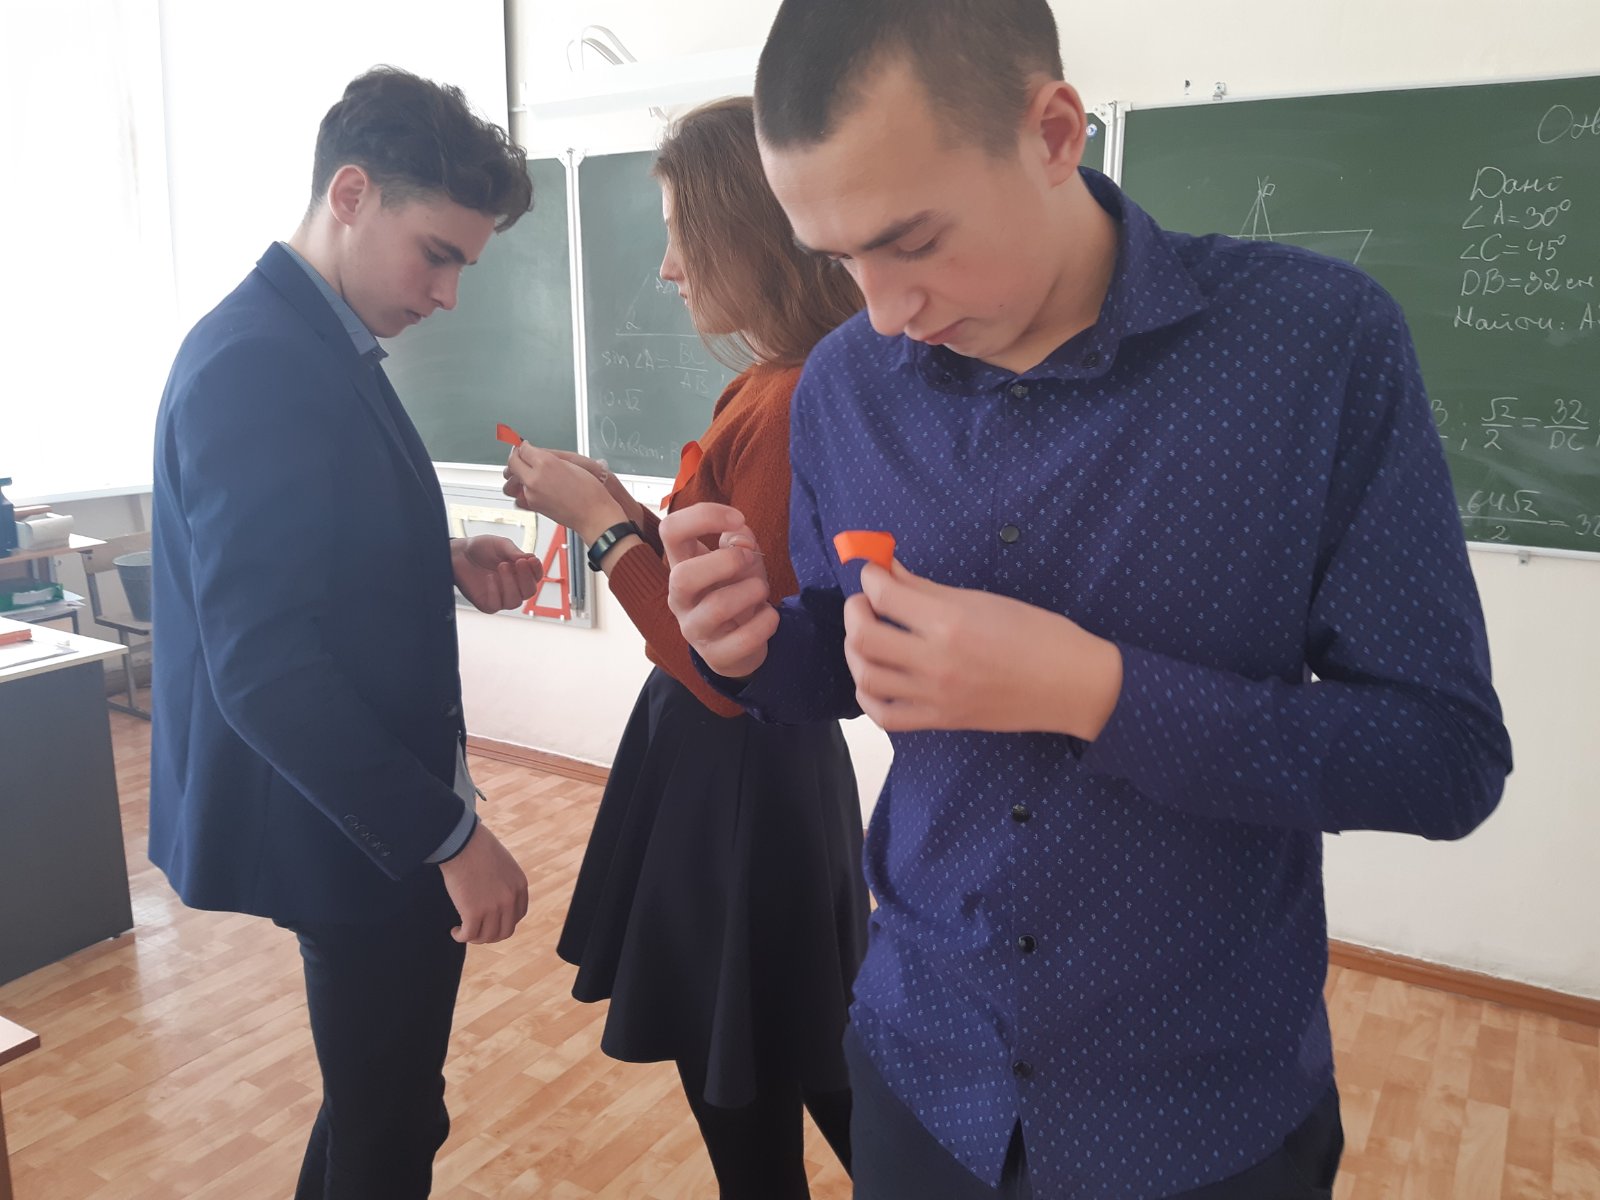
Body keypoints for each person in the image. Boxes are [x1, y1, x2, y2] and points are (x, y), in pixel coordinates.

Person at [659, 3, 1515, 1198]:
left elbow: (1443, 759)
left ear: (1054, 132)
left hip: (1201, 1115)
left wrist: (1093, 692)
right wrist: (750, 645)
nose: (884, 309)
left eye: (913, 241)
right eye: (839, 258)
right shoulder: (848, 384)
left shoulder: (1315, 344)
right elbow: (842, 656)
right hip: (922, 1073)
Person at [149, 67, 540, 1200]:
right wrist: (450, 837)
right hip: (347, 817)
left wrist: (438, 559)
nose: (449, 295)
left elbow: (304, 549)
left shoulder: (308, 337)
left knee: (383, 1109)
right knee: (390, 1123)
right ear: (352, 194)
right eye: (438, 255)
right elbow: (264, 667)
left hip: (363, 804)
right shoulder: (259, 360)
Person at [501, 96, 868, 1200]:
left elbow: (727, 670)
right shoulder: (768, 380)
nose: (667, 268)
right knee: (790, 1049)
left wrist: (601, 533)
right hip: (740, 787)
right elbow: (716, 580)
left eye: (680, 235)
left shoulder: (794, 397)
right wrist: (617, 505)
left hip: (737, 786)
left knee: (755, 1069)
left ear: (753, 232)